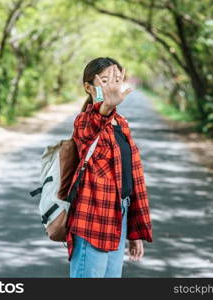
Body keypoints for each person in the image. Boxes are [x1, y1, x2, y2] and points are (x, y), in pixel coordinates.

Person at [65, 57, 153, 278]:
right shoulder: (84, 121)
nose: (112, 86)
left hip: (119, 216)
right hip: (93, 218)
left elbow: (131, 181)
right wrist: (107, 106)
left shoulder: (121, 124)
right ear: (88, 87)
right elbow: (96, 122)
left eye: (116, 80)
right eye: (105, 81)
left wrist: (134, 233)